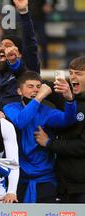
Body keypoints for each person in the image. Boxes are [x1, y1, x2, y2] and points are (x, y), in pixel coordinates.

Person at [3, 71, 77, 203]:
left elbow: (69, 120)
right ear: (19, 91)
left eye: (38, 87)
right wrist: (39, 97)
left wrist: (69, 100)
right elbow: (21, 121)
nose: (36, 90)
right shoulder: (10, 108)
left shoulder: (46, 112)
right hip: (19, 178)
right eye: (30, 86)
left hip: (46, 179)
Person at [35, 56, 85, 203]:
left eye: (79, 73)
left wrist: (49, 143)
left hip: (81, 187)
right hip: (62, 183)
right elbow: (33, 80)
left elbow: (82, 146)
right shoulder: (66, 98)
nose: (73, 76)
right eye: (71, 73)